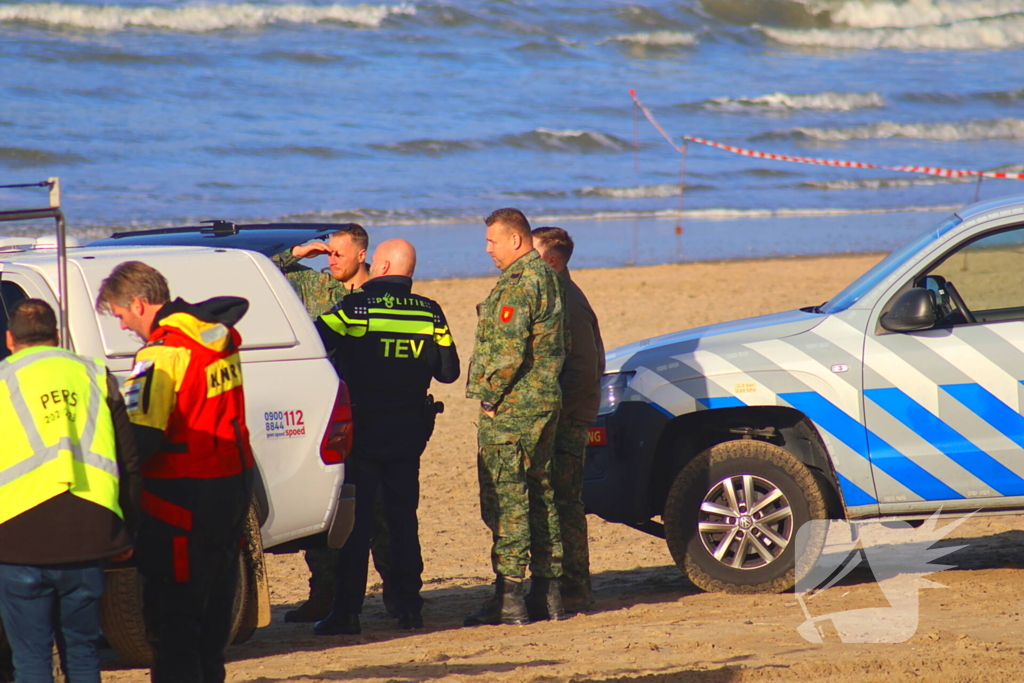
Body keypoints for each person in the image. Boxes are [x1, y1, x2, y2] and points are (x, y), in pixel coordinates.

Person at [96, 262, 254, 683]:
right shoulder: (215, 337)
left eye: (121, 314)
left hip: (180, 499)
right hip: (233, 484)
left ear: (138, 302)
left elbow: (142, 438)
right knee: (216, 604)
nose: (123, 324)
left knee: (172, 617)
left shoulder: (162, 352)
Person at [313, 239, 459, 635]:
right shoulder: (430, 312)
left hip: (363, 431)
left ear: (382, 267)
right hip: (409, 432)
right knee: (402, 520)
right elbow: (448, 372)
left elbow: (315, 344)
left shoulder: (357, 308)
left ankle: (346, 613)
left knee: (356, 525)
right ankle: (409, 608)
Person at [0, 299, 140, 683]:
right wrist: (128, 528)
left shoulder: (2, 378)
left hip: (16, 537)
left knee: (30, 660)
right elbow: (128, 460)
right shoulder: (95, 374)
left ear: (9, 338)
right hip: (89, 533)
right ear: (57, 337)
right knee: (82, 654)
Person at [274, 225, 395, 623]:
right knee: (326, 502)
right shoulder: (319, 288)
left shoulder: (383, 290)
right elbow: (267, 271)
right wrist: (297, 251)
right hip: (328, 411)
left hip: (373, 412)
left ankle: (396, 594)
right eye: (329, 255)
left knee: (381, 512)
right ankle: (323, 594)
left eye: (339, 254)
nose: (332, 261)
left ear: (363, 255)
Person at [464, 208, 568, 626]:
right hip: (544, 403)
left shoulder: (521, 283)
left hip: (515, 410)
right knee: (542, 497)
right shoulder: (548, 277)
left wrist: (489, 396)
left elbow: (508, 352)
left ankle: (510, 599)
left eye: (492, 241)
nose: (487, 249)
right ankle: (549, 594)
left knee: (507, 502)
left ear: (515, 239)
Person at [532, 227, 605, 614]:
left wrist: (555, 412)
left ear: (552, 261)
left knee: (563, 503)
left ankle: (572, 586)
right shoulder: (556, 295)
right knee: (561, 501)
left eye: (533, 253)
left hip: (568, 416)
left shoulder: (567, 300)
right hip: (568, 411)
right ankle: (567, 585)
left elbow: (584, 368)